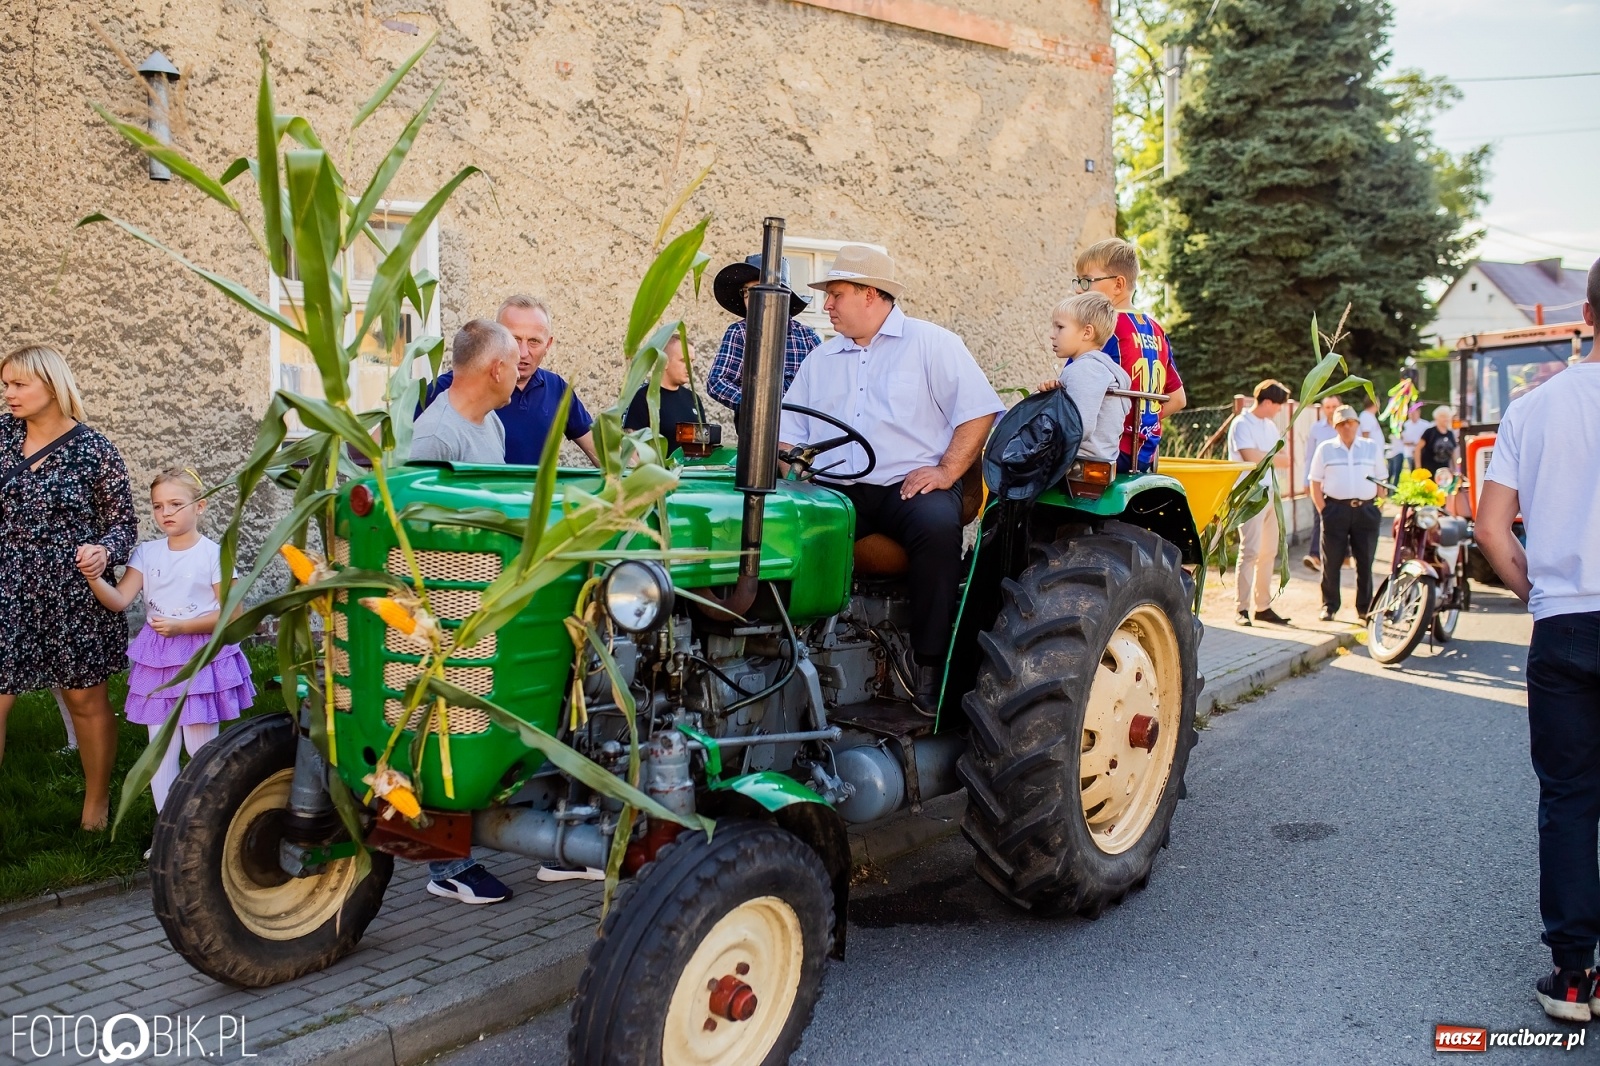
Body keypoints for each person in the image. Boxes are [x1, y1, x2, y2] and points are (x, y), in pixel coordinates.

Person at [779, 246, 1003, 703]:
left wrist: (946, 470)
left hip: (911, 487)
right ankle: (788, 654)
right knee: (781, 530)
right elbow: (787, 433)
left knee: (937, 528)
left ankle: (930, 667)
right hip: (837, 490)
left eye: (836, 294)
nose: (827, 306)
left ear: (869, 294)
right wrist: (793, 466)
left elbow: (978, 413)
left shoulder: (932, 343)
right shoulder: (820, 360)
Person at [1475, 259, 1600, 1023]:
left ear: (1587, 312)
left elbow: (1492, 527)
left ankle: (1576, 979)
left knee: (1569, 798)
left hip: (1564, 628)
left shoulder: (1535, 407)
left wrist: (1540, 596)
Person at [0, 345, 137, 831]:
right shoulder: (0, 437)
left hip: (73, 591)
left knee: (85, 698)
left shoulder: (94, 449)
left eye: (19, 384)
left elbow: (124, 525)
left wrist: (103, 550)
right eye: (7, 384)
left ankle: (96, 807)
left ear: (51, 385)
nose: (9, 393)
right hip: (7, 585)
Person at [79, 468, 255, 818]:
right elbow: (118, 600)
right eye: (158, 506)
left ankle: (207, 825)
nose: (166, 513)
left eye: (176, 503)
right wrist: (94, 577)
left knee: (200, 747)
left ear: (200, 506)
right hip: (158, 659)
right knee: (159, 749)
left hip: (200, 655)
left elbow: (232, 615)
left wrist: (182, 626)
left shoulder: (213, 555)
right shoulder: (147, 553)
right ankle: (167, 830)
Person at [422, 296, 599, 465]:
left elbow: (600, 453)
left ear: (548, 344)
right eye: (515, 339)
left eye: (534, 341)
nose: (522, 353)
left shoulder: (556, 388)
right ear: (497, 336)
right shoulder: (451, 388)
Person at [1073, 238, 1187, 472]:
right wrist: (1138, 427)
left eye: (1086, 281)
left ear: (1118, 285)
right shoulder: (1157, 330)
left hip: (1103, 451)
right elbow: (1177, 399)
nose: (1078, 289)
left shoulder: (1102, 330)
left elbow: (1073, 392)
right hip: (1143, 453)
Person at [706, 254, 822, 416]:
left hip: (801, 428)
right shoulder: (739, 332)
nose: (752, 300)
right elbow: (717, 382)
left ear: (781, 296)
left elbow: (824, 386)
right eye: (747, 294)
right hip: (754, 427)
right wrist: (757, 406)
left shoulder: (807, 337)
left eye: (759, 293)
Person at [1308, 405, 1385, 622]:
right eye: (1342, 423)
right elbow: (1314, 481)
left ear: (1358, 424)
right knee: (1331, 561)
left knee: (1365, 561)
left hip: (1366, 510)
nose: (1347, 426)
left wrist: (1378, 507)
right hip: (1335, 510)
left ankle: (1364, 608)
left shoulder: (1371, 447)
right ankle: (1329, 605)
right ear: (1336, 426)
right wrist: (1324, 510)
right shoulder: (1325, 449)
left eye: (1351, 422)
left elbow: (1382, 479)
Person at [1035, 291, 1131, 462]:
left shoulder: (1085, 369)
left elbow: (1079, 426)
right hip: (1099, 457)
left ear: (1087, 332)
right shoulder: (1103, 368)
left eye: (1060, 327)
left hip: (1078, 460)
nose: (1052, 334)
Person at [1227, 380, 1292, 626]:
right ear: (1266, 402)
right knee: (1250, 550)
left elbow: (1284, 459)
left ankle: (1262, 606)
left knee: (1268, 552)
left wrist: (1267, 456)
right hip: (1249, 493)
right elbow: (1251, 458)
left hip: (1270, 492)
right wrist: (1271, 456)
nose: (1278, 410)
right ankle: (1241, 608)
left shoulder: (1269, 426)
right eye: (1277, 405)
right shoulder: (1241, 424)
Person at [412, 320, 521, 466]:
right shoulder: (434, 438)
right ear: (498, 370)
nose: (518, 375)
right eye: (515, 365)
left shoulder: (490, 419)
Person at [623, 334, 703, 437]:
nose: (690, 367)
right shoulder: (643, 397)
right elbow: (632, 446)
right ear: (664, 361)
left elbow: (703, 443)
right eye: (684, 361)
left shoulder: (693, 399)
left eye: (692, 361)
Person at [1301, 395, 1341, 572]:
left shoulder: (1347, 426)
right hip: (1320, 482)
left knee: (1342, 519)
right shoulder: (1316, 428)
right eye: (1328, 407)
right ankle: (1315, 555)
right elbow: (1309, 456)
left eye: (1334, 406)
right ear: (1323, 409)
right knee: (1319, 518)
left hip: (1342, 485)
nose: (1331, 410)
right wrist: (1306, 480)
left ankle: (1343, 555)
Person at [1415, 405, 1458, 476]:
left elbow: (1453, 452)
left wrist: (1456, 469)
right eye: (1443, 416)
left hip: (1444, 473)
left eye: (1447, 416)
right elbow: (1418, 449)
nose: (1446, 419)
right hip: (1429, 471)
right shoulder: (1429, 432)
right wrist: (1418, 468)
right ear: (1436, 418)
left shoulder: (1450, 434)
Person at [1398, 403, 1426, 472]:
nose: (1412, 415)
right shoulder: (1405, 425)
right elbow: (1402, 439)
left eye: (1414, 413)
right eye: (1410, 413)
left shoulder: (1426, 425)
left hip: (1422, 453)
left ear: (1418, 413)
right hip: (1409, 453)